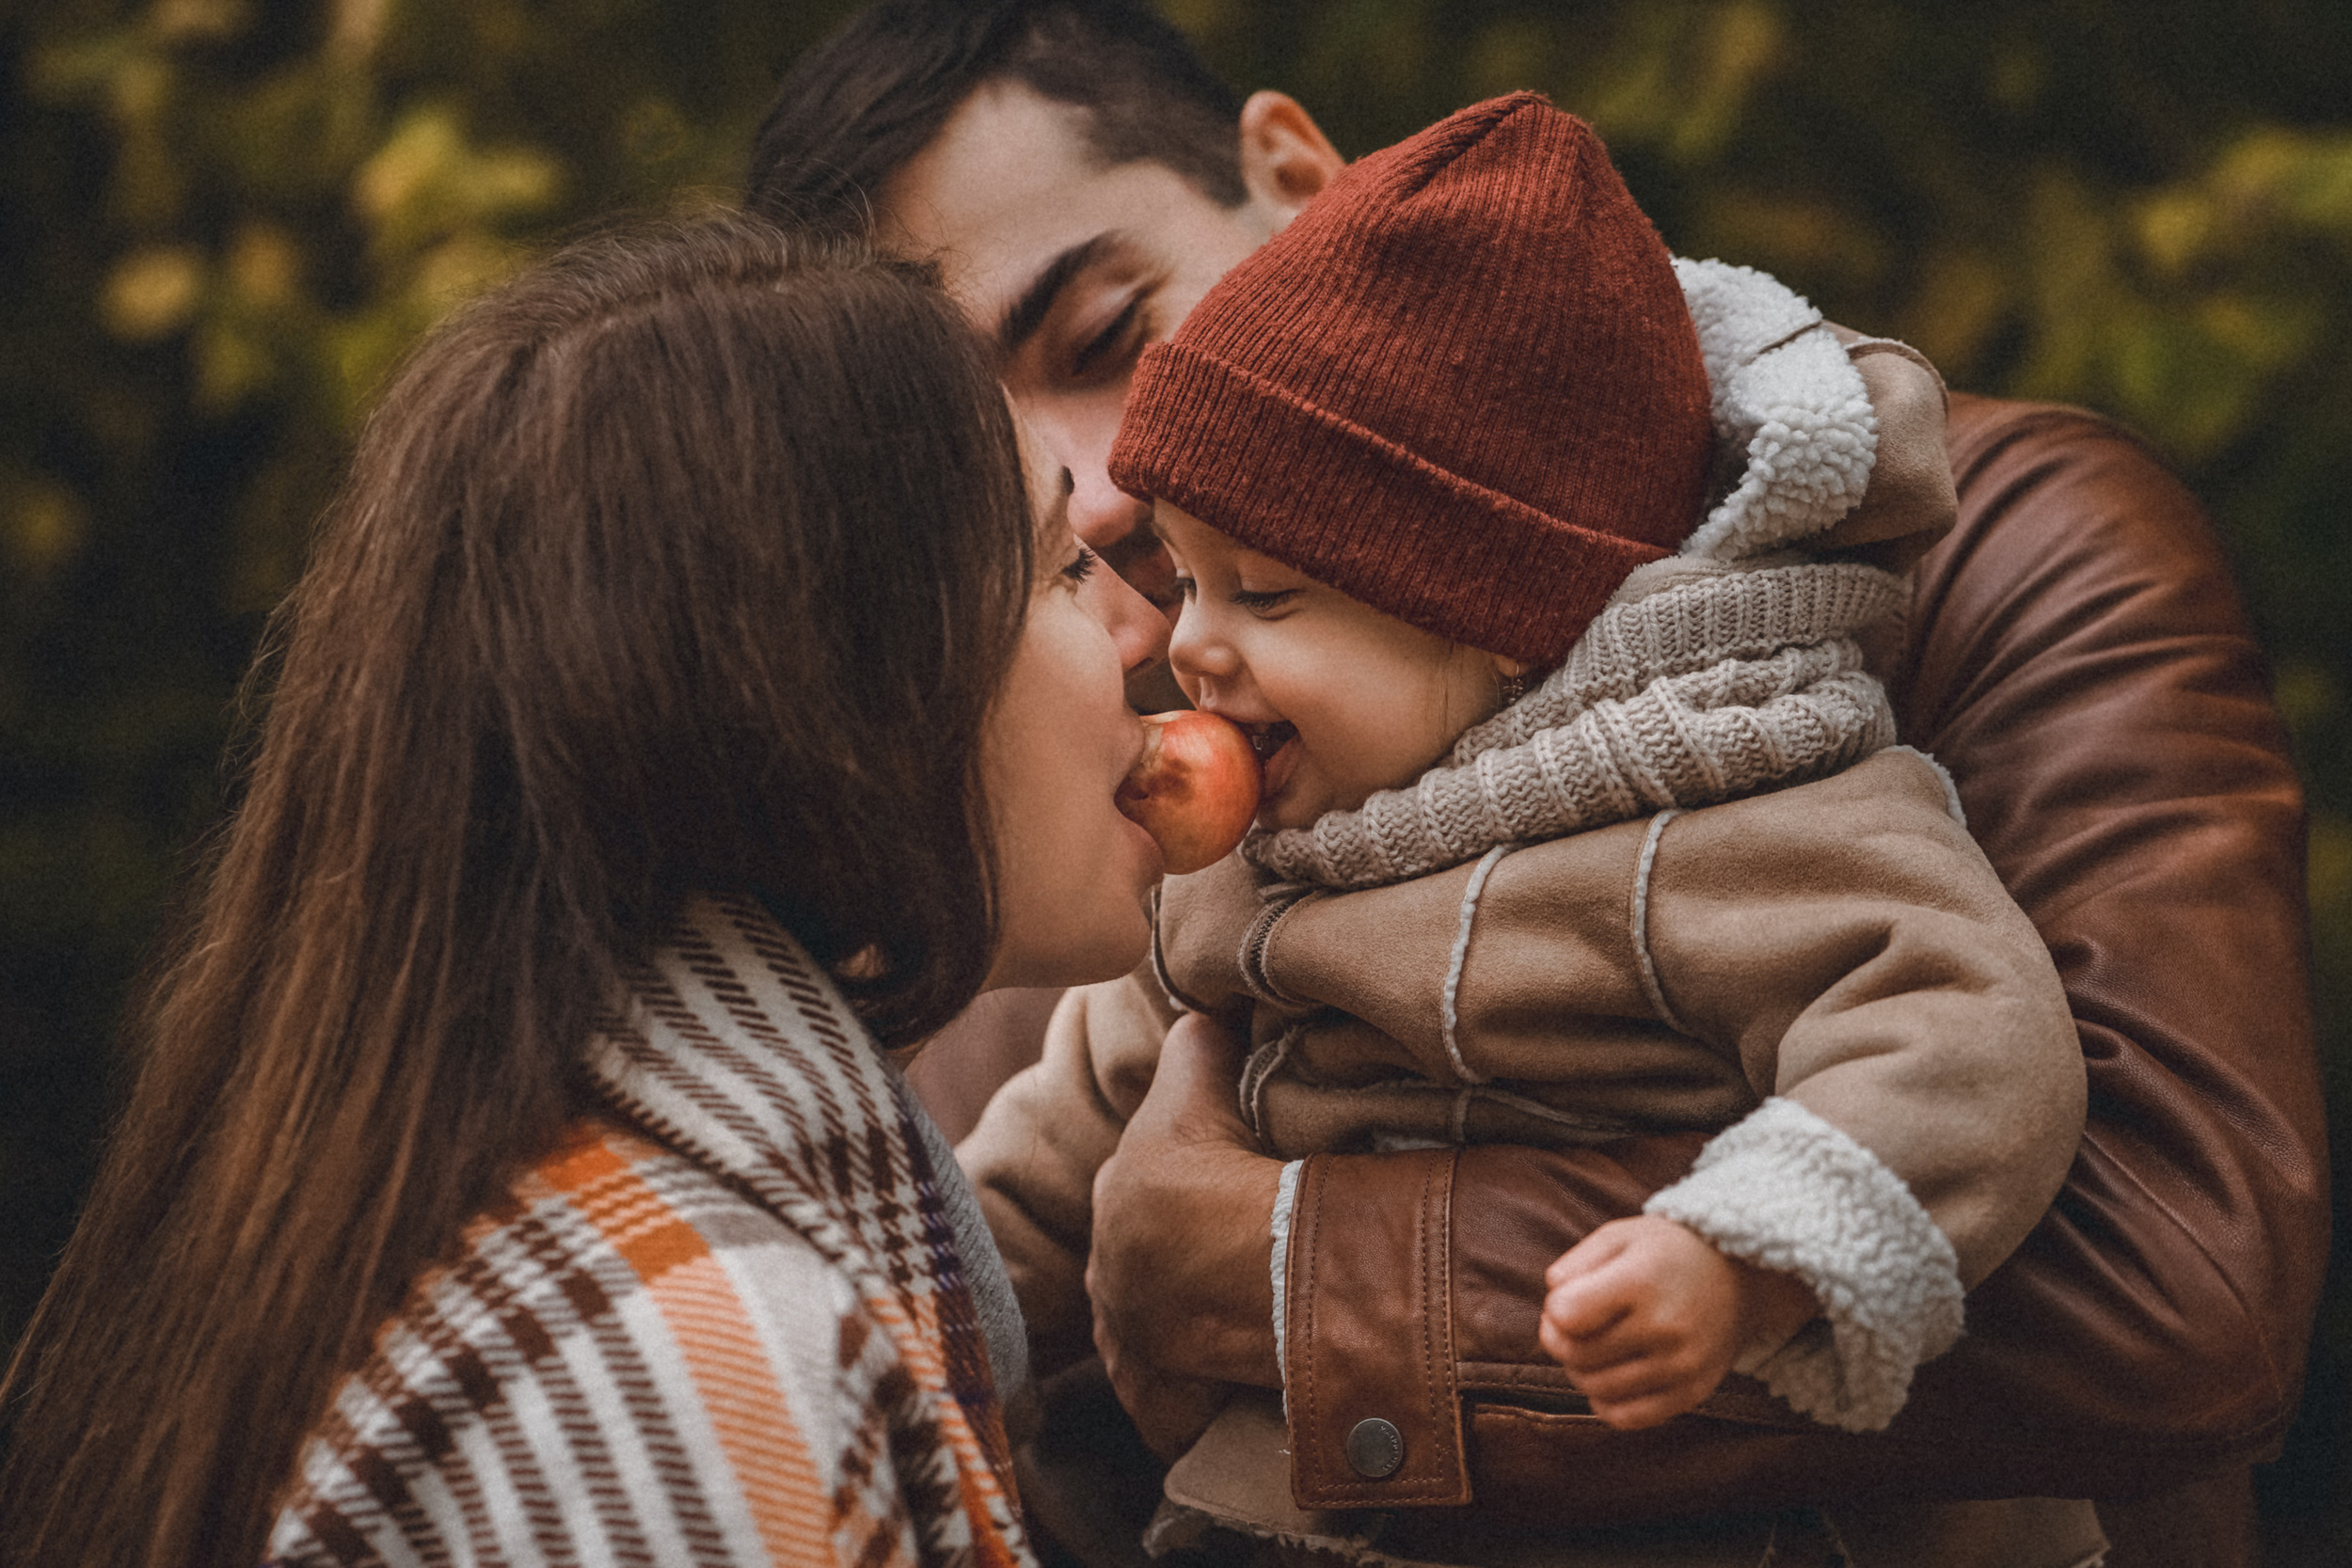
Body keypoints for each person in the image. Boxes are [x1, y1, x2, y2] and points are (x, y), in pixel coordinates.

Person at [746, 4, 2325, 1565]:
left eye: (1101, 336)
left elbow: (2170, 1273)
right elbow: (1026, 1198)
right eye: (984, 453)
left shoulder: (1929, 611)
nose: (1089, 495)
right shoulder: (1137, 764)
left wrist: (1294, 1269)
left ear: (1297, 174)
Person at [0, 214, 1167, 1567]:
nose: (1146, 624)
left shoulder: (497, 1223)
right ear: (847, 697)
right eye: (1064, 567)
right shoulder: (690, 1367)